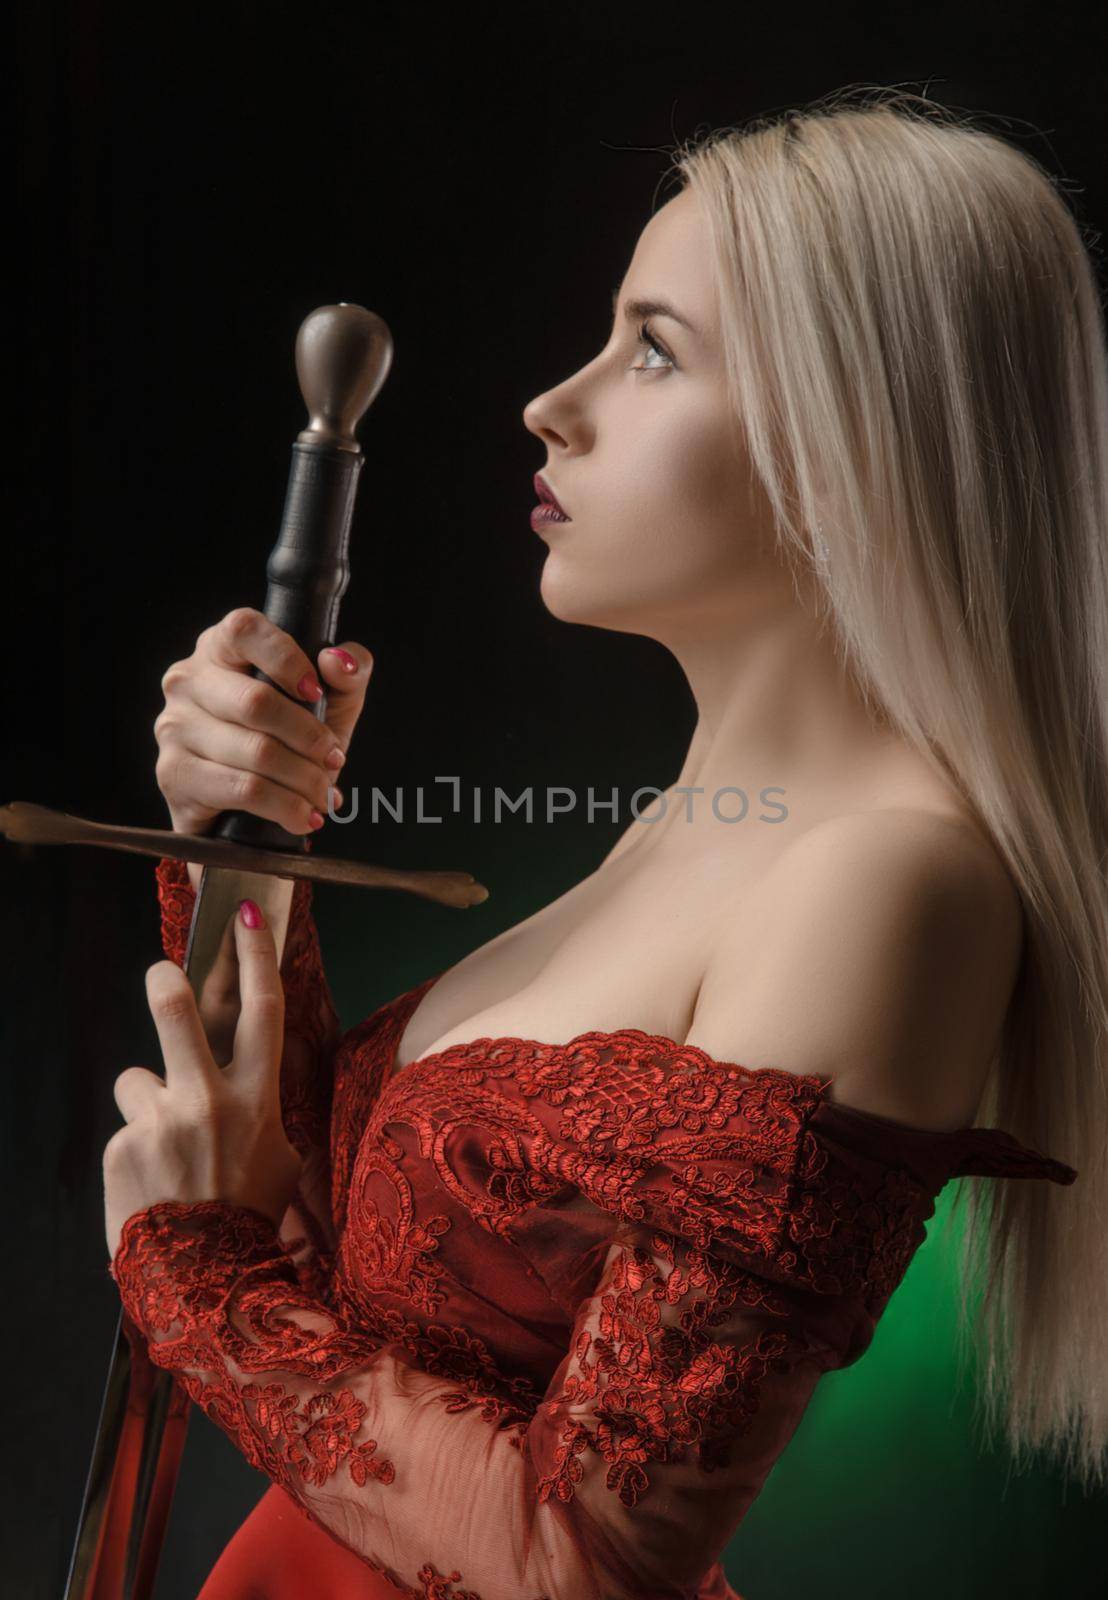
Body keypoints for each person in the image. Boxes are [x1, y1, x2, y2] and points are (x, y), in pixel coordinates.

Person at [103, 88, 1108, 1600]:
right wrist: (246, 848)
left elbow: (587, 1566)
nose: (552, 403)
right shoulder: (696, 828)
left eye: (654, 350)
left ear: (858, 434)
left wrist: (204, 1282)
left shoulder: (890, 883)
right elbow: (341, 1250)